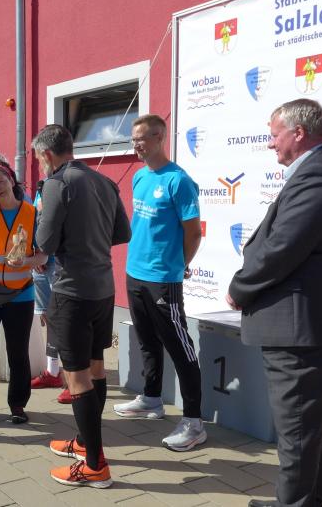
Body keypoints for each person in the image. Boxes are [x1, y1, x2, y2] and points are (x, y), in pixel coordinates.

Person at [226, 99, 322, 507]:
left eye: (274, 134)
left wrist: (240, 287)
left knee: (296, 428)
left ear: (298, 133)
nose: (270, 143)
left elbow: (284, 246)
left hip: (304, 328)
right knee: (305, 426)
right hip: (310, 322)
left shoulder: (321, 172)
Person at [33, 124, 131, 488]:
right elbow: (122, 233)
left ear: (47, 154)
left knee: (76, 377)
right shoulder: (104, 181)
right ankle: (87, 443)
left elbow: (44, 243)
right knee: (96, 369)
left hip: (72, 292)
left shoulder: (56, 184)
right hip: (103, 290)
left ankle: (95, 465)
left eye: (39, 159)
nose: (40, 165)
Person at [113, 114, 206, 451]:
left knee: (180, 347)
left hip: (162, 279)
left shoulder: (178, 181)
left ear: (159, 138)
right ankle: (151, 398)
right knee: (147, 340)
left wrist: (180, 265)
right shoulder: (140, 176)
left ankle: (194, 422)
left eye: (141, 139)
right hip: (135, 273)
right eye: (133, 139)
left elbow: (193, 233)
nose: (135, 145)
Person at [0, 161, 48, 427]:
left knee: (18, 353)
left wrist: (26, 262)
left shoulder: (33, 213)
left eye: (0, 181)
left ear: (11, 181)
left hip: (20, 295)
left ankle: (17, 406)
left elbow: (44, 255)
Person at [29, 179, 73, 404]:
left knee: (64, 319)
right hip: (40, 263)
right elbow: (35, 224)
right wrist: (35, 254)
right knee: (48, 317)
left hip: (59, 263)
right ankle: (52, 371)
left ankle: (74, 380)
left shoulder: (68, 188)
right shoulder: (42, 188)